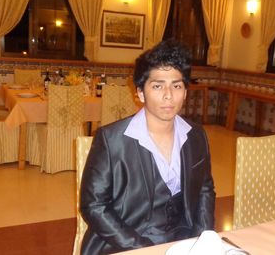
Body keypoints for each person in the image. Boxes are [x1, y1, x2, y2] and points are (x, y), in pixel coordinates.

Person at [80, 39, 215, 255]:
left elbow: (205, 189)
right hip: (124, 243)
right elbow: (94, 206)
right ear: (140, 92)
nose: (168, 95)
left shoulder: (196, 135)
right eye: (158, 85)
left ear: (186, 92)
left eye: (177, 86)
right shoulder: (111, 139)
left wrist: (203, 239)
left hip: (182, 241)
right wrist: (144, 249)